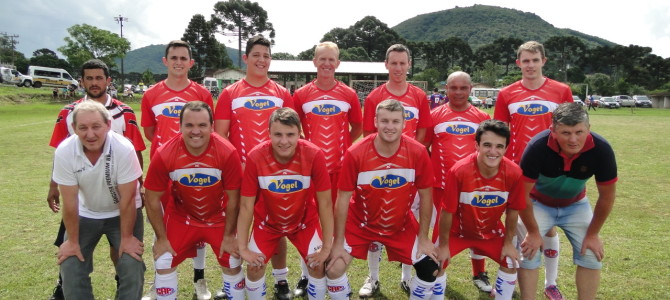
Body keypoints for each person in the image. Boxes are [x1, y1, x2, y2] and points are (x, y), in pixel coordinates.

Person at [46, 58, 146, 300]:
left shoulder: (123, 147)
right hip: (86, 212)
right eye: (82, 128)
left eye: (96, 127)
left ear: (108, 125)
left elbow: (126, 199)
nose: (90, 134)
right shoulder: (66, 149)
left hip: (121, 210)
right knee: (70, 263)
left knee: (131, 263)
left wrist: (126, 238)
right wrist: (71, 242)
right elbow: (70, 203)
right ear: (74, 127)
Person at [327, 99, 439, 300]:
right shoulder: (356, 152)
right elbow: (342, 199)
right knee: (333, 269)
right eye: (385, 121)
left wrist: (423, 238)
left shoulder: (418, 151)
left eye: (396, 121)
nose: (390, 126)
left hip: (400, 224)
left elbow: (426, 195)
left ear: (404, 124)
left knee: (430, 268)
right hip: (361, 223)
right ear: (375, 122)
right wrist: (337, 241)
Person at [213, 35, 295, 300]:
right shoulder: (230, 93)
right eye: (257, 55)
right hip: (240, 176)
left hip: (274, 176)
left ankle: (281, 281)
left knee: (276, 227)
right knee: (236, 228)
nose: (262, 60)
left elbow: (293, 135)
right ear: (245, 58)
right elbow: (220, 137)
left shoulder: (281, 93)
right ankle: (234, 285)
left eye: (266, 56)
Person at [493, 40, 573, 300]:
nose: (530, 65)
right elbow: (499, 133)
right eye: (525, 60)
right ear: (518, 63)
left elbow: (572, 132)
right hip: (517, 172)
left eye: (534, 60)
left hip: (551, 172)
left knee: (548, 228)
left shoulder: (561, 91)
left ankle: (550, 283)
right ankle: (509, 279)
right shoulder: (507, 94)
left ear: (543, 61)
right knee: (516, 226)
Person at [143, 101, 245, 300]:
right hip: (183, 217)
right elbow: (151, 198)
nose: (195, 131)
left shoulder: (227, 151)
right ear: (180, 126)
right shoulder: (165, 153)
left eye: (202, 125)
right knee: (163, 261)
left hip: (219, 218)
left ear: (212, 127)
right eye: (189, 125)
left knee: (232, 261)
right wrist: (162, 239)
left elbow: (235, 199)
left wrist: (230, 235)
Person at [517, 103, 617, 299]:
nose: (573, 139)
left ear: (589, 128)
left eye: (579, 132)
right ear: (552, 130)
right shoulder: (537, 147)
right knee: (528, 253)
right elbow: (521, 194)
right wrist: (533, 232)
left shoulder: (602, 149)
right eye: (566, 133)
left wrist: (593, 234)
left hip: (575, 205)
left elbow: (607, 196)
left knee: (590, 255)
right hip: (538, 203)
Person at [140, 40, 215, 300]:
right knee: (159, 223)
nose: (179, 62)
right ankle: (158, 278)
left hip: (196, 171)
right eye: (174, 57)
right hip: (164, 173)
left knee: (199, 223)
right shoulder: (151, 94)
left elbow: (207, 130)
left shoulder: (202, 94)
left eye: (184, 58)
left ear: (191, 63)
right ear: (165, 61)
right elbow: (151, 133)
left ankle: (199, 278)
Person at [236, 108, 336, 300]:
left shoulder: (314, 155)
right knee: (255, 267)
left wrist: (326, 248)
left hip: (304, 223)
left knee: (317, 265)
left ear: (300, 133)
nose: (284, 141)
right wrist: (243, 248)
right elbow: (247, 205)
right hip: (267, 224)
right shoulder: (255, 157)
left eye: (290, 134)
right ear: (268, 134)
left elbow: (325, 203)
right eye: (278, 134)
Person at [359, 44, 432, 297]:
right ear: (386, 65)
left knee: (406, 224)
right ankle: (373, 277)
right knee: (374, 226)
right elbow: (369, 134)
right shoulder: (373, 97)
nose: (398, 68)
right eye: (394, 63)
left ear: (409, 65)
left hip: (408, 174)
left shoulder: (419, 96)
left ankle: (406, 276)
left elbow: (423, 134)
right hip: (377, 173)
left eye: (403, 63)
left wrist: (409, 161)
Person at [292, 41, 363, 297]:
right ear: (314, 62)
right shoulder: (300, 95)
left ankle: (336, 272)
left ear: (338, 63)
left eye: (331, 59)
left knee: (335, 223)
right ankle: (305, 275)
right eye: (322, 59)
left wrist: (343, 151)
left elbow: (357, 128)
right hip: (309, 174)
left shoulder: (349, 94)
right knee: (308, 225)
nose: (326, 64)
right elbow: (294, 130)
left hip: (338, 173)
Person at [435, 119, 525, 300]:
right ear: (476, 145)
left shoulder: (514, 172)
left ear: (506, 148)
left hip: (490, 233)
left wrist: (508, 243)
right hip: (457, 233)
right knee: (434, 264)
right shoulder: (459, 171)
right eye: (487, 145)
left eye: (499, 146)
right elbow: (447, 212)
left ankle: (501, 296)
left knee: (510, 261)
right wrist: (443, 246)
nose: (493, 151)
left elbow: (513, 211)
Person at [428, 71, 494, 294]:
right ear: (446, 88)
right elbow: (424, 149)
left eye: (463, 88)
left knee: (477, 230)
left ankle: (479, 272)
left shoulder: (482, 118)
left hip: (473, 188)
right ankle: (437, 274)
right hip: (441, 188)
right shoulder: (434, 116)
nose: (458, 92)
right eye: (453, 88)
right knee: (440, 234)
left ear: (470, 89)